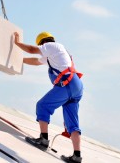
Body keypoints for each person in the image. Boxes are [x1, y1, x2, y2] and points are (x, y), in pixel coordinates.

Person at [14, 31, 84, 163]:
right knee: (73, 124)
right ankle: (76, 156)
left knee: (42, 106)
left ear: (43, 43)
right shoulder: (54, 55)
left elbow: (31, 50)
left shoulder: (52, 46)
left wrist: (17, 43)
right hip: (76, 86)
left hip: (67, 84)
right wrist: (19, 60)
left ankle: (43, 140)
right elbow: (36, 61)